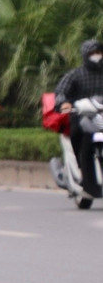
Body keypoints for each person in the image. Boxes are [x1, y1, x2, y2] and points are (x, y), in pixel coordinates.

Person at [53, 38, 103, 197]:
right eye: (92, 53)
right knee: (78, 137)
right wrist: (64, 103)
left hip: (101, 117)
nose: (96, 56)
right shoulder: (75, 74)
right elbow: (61, 91)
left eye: (99, 52)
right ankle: (82, 173)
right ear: (85, 55)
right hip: (81, 117)